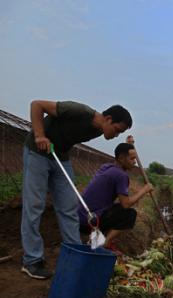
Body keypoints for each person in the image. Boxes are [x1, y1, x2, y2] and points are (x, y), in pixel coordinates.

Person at [21, 100, 132, 280]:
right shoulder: (79, 111)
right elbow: (36, 105)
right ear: (109, 119)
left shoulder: (99, 129)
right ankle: (32, 260)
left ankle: (76, 254)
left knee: (68, 207)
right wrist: (40, 135)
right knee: (34, 206)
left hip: (60, 157)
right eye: (118, 130)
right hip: (38, 153)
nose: (116, 135)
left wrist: (129, 142)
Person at [77, 143, 153, 251]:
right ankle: (104, 243)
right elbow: (126, 204)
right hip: (89, 223)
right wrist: (145, 190)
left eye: (135, 158)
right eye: (132, 158)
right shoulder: (121, 175)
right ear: (121, 158)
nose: (135, 162)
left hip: (81, 217)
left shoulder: (107, 167)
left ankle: (101, 236)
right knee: (130, 214)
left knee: (117, 208)